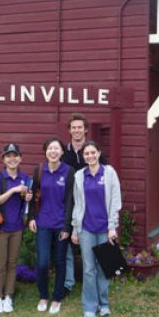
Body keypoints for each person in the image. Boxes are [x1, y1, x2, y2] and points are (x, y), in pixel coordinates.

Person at [71, 140, 122, 317]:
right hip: (86, 229)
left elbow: (115, 202)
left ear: (99, 153)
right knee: (89, 269)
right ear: (83, 156)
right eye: (86, 154)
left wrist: (112, 227)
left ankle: (104, 304)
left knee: (104, 268)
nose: (90, 156)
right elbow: (77, 205)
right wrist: (75, 230)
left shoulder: (109, 173)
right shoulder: (79, 176)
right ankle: (90, 307)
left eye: (93, 153)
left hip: (104, 229)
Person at [62, 113, 107, 297]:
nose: (77, 130)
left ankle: (103, 285)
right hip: (70, 203)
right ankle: (68, 282)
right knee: (69, 245)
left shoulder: (93, 151)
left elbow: (107, 182)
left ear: (86, 129)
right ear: (69, 130)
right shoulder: (64, 154)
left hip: (93, 206)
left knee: (101, 247)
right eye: (74, 127)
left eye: (80, 127)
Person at [28, 137, 75, 315]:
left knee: (60, 261)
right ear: (46, 151)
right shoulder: (39, 170)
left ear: (62, 152)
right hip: (43, 223)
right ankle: (43, 295)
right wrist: (31, 217)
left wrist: (67, 227)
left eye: (56, 149)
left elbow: (71, 201)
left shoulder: (68, 171)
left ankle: (56, 298)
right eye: (50, 149)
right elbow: (33, 196)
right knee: (42, 262)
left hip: (61, 224)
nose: (53, 152)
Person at [0, 143, 32, 314]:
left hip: (17, 227)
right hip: (1, 227)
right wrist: (14, 189)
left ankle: (9, 297)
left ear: (20, 158)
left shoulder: (25, 177)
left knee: (12, 264)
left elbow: (25, 201)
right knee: (0, 265)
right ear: (4, 159)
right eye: (8, 156)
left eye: (15, 155)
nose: (12, 159)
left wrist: (28, 197)